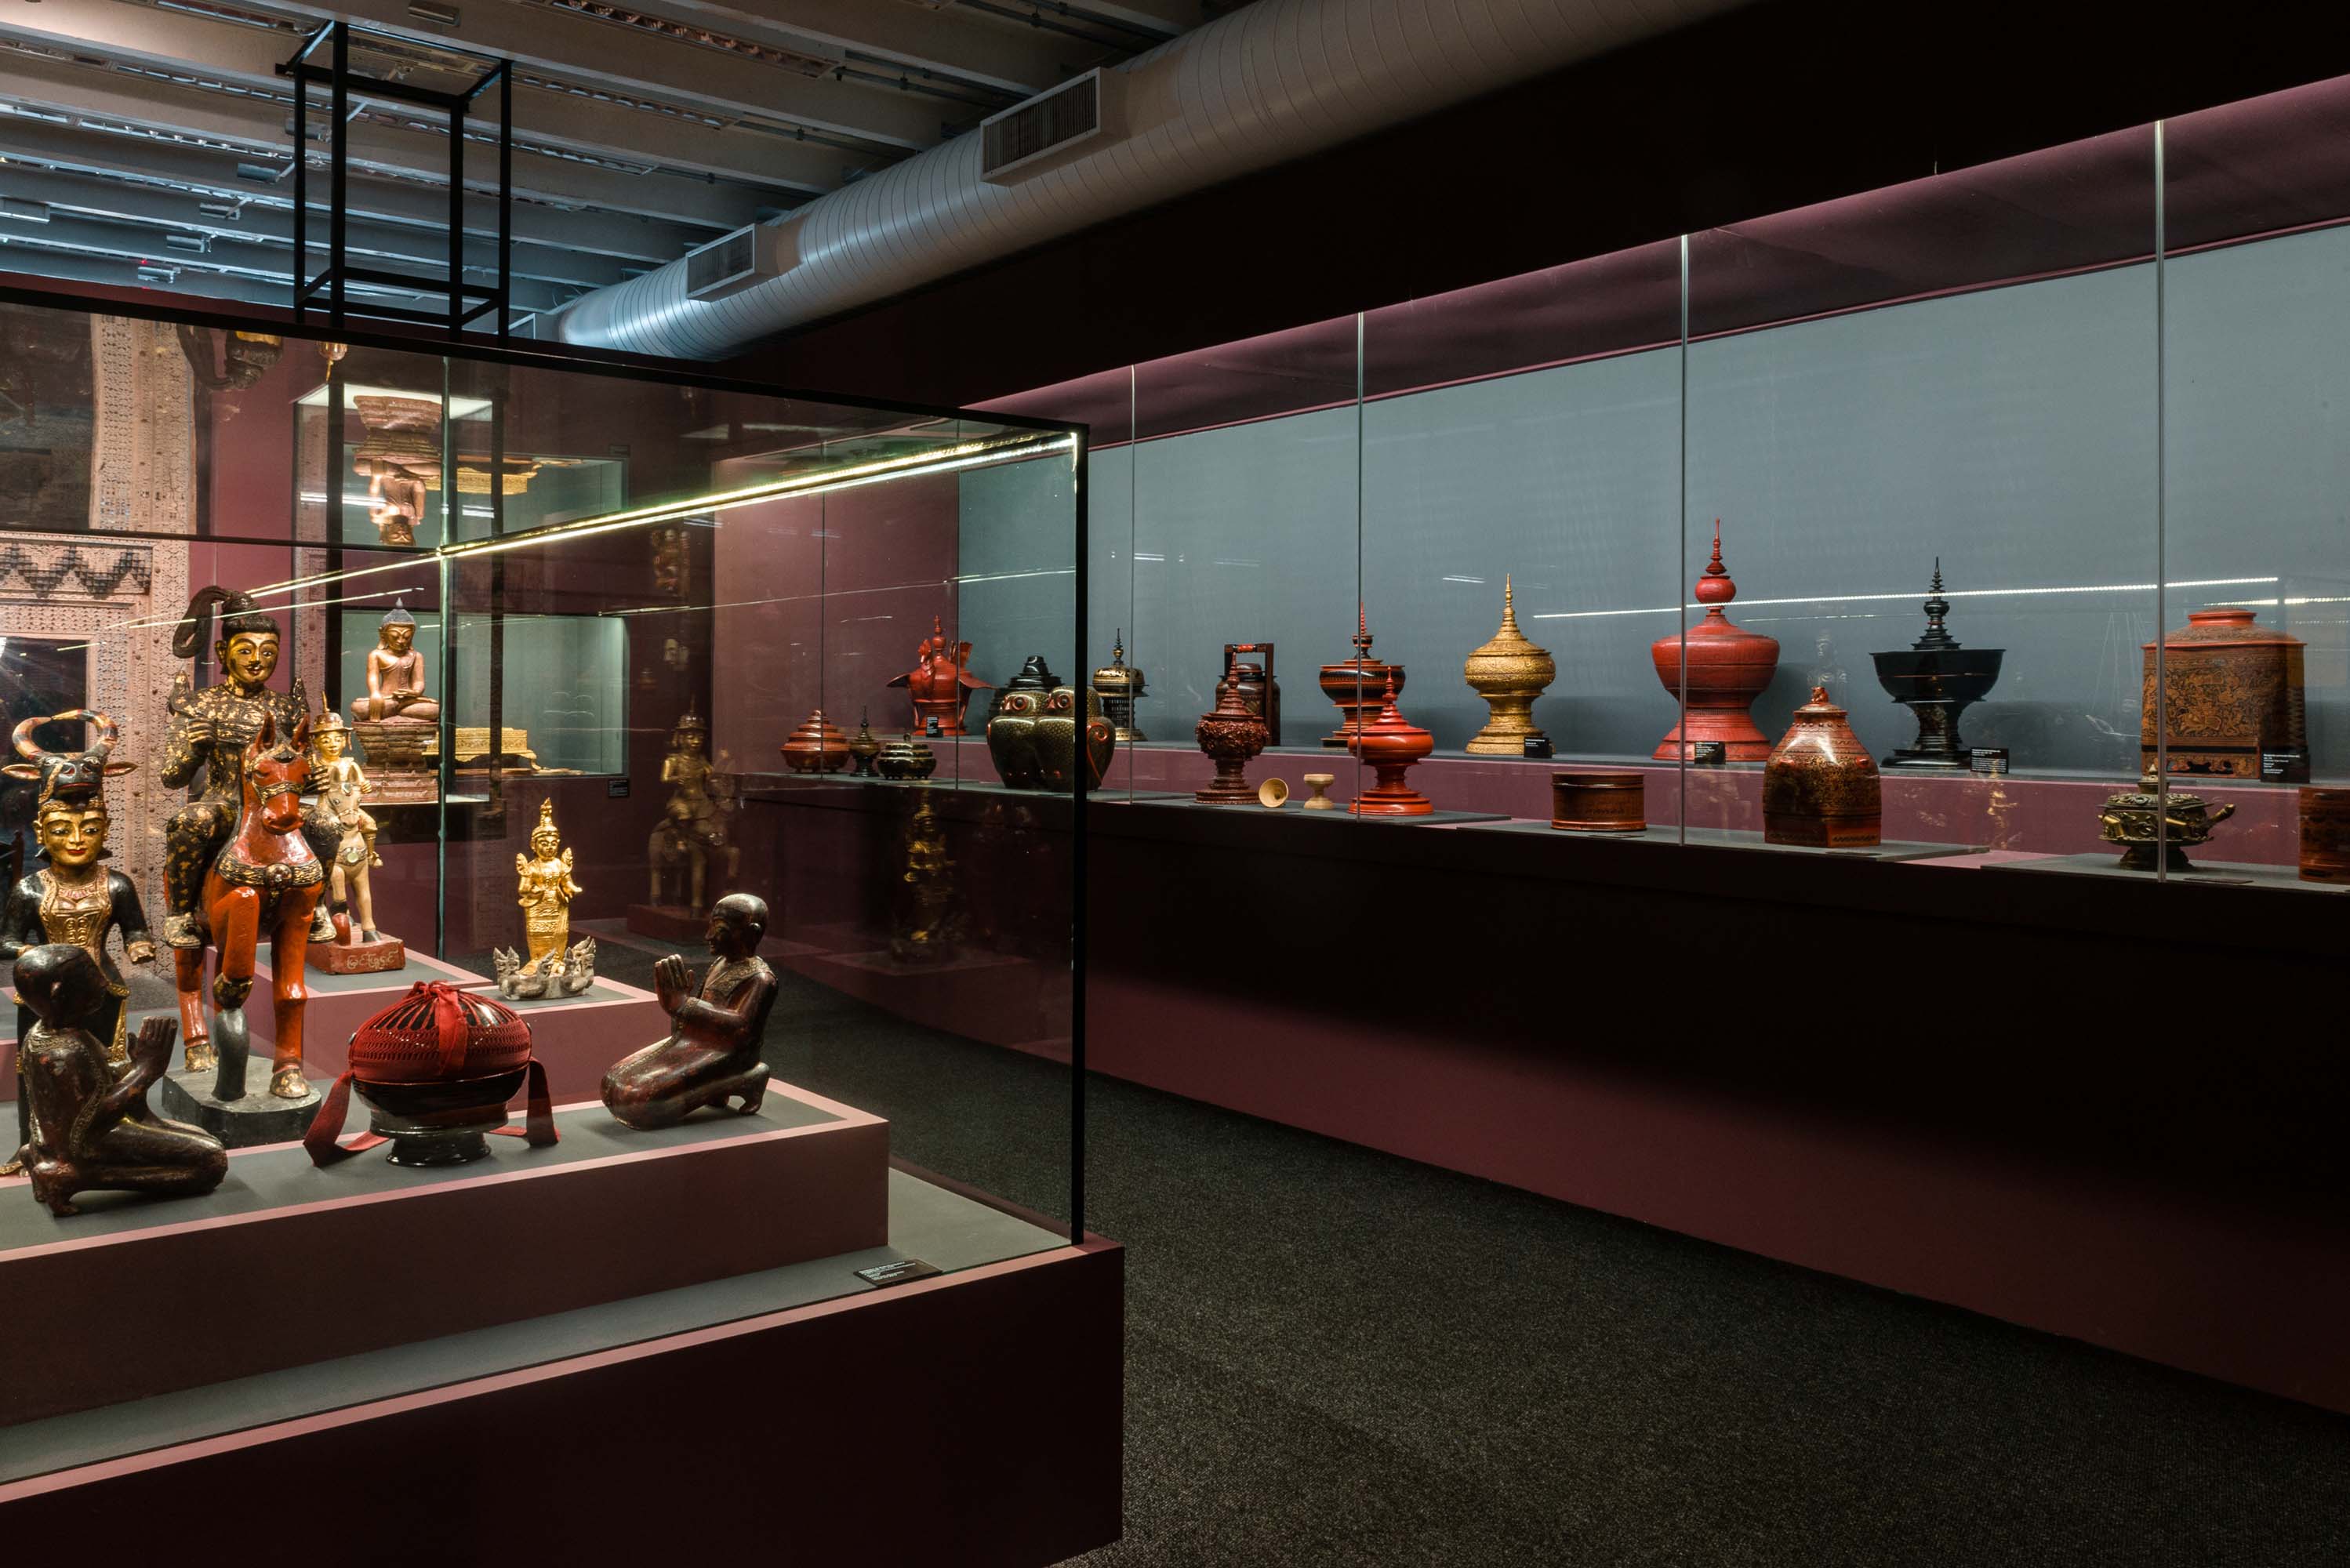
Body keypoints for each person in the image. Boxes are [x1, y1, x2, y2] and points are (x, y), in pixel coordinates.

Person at [158, 586, 340, 950]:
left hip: (277, 806)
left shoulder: (286, 708)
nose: (257, 660)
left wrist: (315, 778)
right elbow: (172, 777)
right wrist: (196, 749)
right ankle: (180, 913)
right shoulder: (201, 704)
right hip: (224, 803)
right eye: (245, 650)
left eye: (268, 652)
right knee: (189, 822)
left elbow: (301, 766)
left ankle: (318, 906)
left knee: (327, 824)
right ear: (222, 652)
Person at [600, 892, 775, 1129]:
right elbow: (699, 1016)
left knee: (639, 1097)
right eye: (710, 927)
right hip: (694, 1042)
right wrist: (680, 1009)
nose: (708, 936)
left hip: (729, 1053)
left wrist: (686, 1005)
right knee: (613, 1081)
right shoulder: (721, 964)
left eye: (720, 930)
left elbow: (742, 1027)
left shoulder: (761, 979)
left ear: (752, 934)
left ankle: (749, 1074)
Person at [349, 600, 439, 724]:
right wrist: (375, 694)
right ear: (383, 634)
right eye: (395, 636)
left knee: (435, 710)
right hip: (385, 700)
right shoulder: (376, 655)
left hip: (409, 701)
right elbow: (373, 678)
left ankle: (398, 713)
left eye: (406, 637)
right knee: (358, 709)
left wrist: (415, 692)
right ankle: (400, 713)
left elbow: (419, 682)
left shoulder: (416, 656)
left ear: (412, 636)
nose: (401, 641)